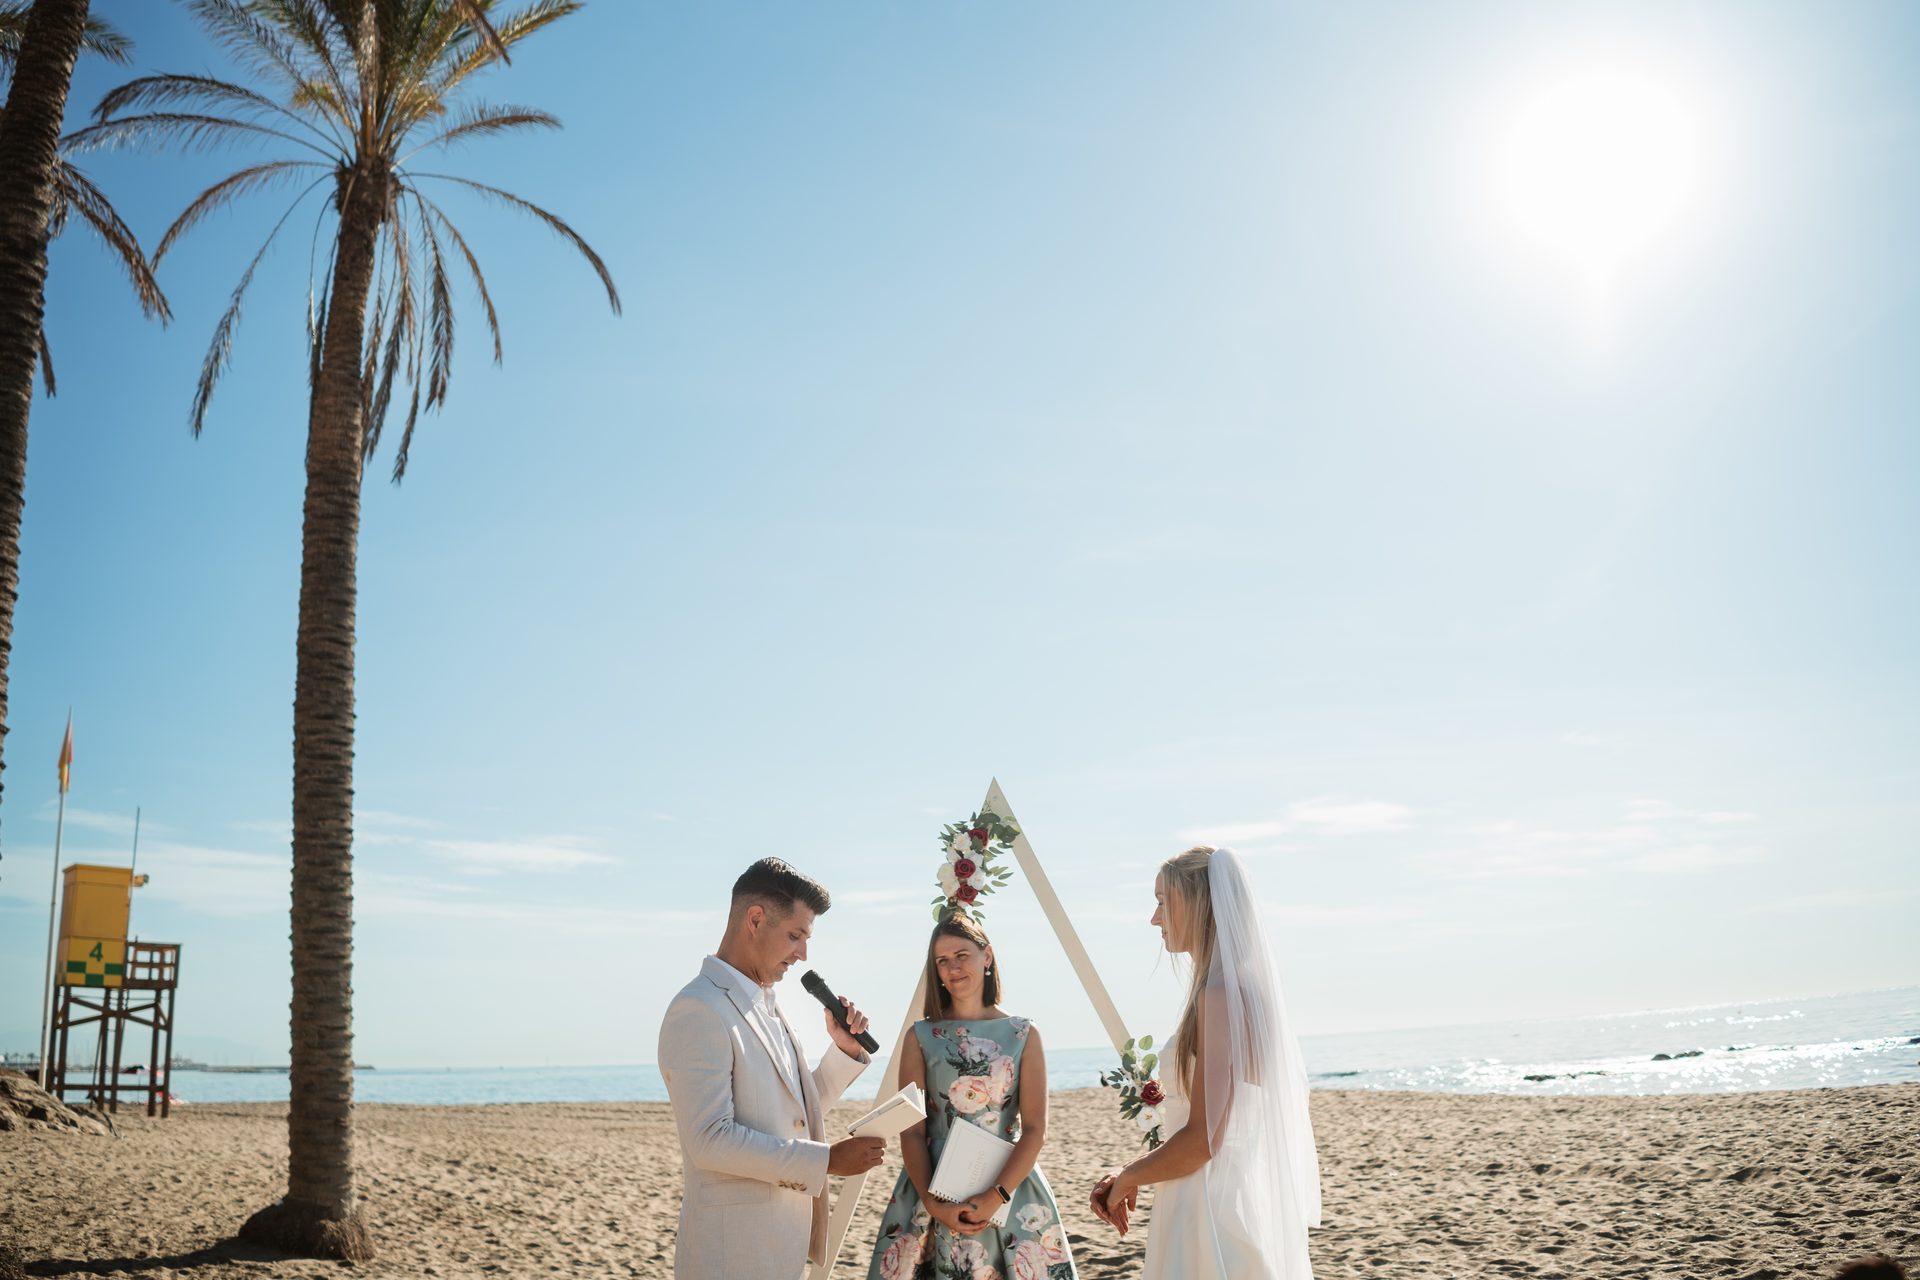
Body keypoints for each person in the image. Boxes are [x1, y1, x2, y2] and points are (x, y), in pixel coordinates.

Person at [1090, 845, 1321, 1279]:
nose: (1154, 918)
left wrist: (1127, 1178)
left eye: (1162, 902)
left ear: (1197, 905)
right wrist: (1135, 1173)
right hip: (1235, 1198)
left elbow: (1203, 1141)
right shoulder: (1244, 992)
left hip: (1209, 1210)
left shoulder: (1219, 998)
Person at [659, 858, 885, 1279]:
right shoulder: (698, 1008)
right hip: (731, 1258)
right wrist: (828, 1160)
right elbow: (708, 1140)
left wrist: (844, 1051)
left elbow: (793, 1113)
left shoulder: (770, 1006)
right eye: (795, 935)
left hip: (781, 1249)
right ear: (756, 919)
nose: (803, 954)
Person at [864, 910, 1078, 1280]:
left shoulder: (1024, 1034)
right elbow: (912, 1131)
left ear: (987, 956)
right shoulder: (920, 1037)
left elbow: (1035, 1130)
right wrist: (933, 1204)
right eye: (942, 961)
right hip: (932, 1190)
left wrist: (997, 1195)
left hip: (1007, 1188)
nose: (952, 968)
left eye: (961, 955)